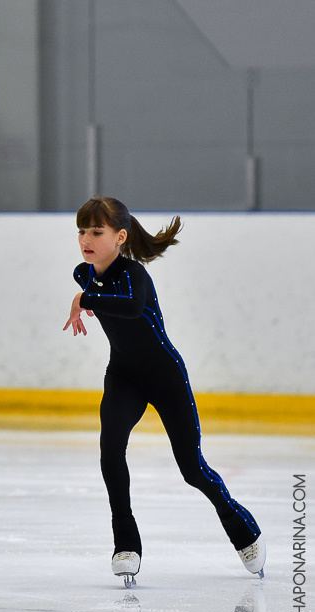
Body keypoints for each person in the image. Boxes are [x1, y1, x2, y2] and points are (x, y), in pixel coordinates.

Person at [63, 196, 264, 586]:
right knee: (110, 453)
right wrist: (83, 295)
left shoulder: (134, 275)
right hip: (123, 376)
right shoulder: (82, 273)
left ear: (120, 237)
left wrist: (83, 299)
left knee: (193, 470)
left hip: (166, 377)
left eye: (96, 232)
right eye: (82, 231)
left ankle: (244, 530)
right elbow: (97, 296)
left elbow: (131, 307)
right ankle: (126, 544)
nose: (86, 239)